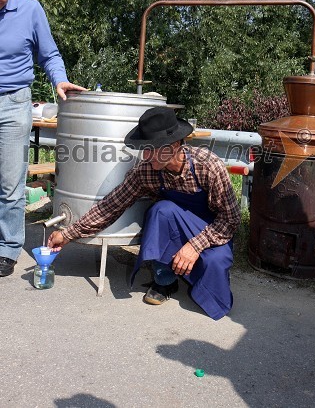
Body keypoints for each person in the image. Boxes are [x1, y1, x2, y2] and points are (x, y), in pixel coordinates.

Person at [48, 106, 241, 320]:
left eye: (153, 148)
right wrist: (67, 234)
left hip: (211, 230)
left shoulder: (208, 165)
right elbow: (111, 205)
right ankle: (164, 281)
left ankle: (197, 276)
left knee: (214, 267)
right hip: (177, 227)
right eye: (144, 148)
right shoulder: (146, 170)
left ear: (175, 144)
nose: (146, 156)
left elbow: (230, 219)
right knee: (161, 211)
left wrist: (195, 246)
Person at [0, 0, 86, 277]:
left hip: (13, 103)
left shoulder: (30, 10)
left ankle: (7, 248)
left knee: (10, 180)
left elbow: (49, 55)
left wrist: (59, 79)